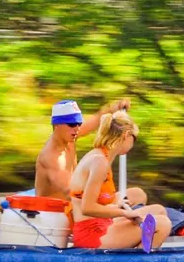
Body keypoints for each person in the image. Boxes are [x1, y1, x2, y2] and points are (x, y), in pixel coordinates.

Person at [67, 110, 168, 250]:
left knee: (160, 210)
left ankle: (138, 251)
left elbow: (96, 199)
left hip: (102, 224)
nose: (133, 144)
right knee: (162, 225)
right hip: (92, 235)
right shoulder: (99, 162)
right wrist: (124, 213)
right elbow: (87, 208)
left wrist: (116, 204)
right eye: (134, 139)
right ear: (127, 135)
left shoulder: (102, 157)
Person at [36, 98, 147, 206]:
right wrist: (109, 205)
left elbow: (97, 119)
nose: (77, 129)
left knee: (138, 195)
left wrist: (114, 108)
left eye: (79, 123)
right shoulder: (51, 157)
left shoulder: (69, 135)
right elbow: (71, 192)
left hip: (77, 203)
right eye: (72, 124)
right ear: (57, 125)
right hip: (57, 213)